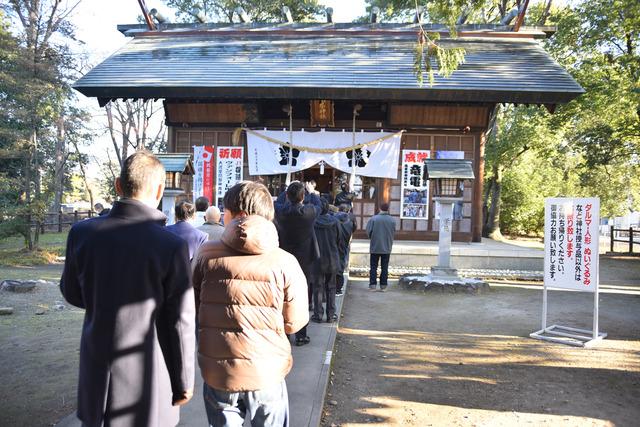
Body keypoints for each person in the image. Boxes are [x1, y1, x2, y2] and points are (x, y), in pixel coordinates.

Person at [59, 151, 196, 427]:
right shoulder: (170, 246)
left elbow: (72, 292)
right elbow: (180, 322)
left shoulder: (82, 233)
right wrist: (184, 381)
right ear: (159, 190)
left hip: (97, 364)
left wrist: (104, 301)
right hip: (149, 373)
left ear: (118, 185)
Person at [192, 181, 309, 427]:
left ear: (238, 214)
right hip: (267, 371)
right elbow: (294, 323)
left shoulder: (205, 255)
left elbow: (192, 307)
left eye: (224, 210)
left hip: (219, 372)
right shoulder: (285, 262)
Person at [276, 181, 320, 346]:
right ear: (303, 197)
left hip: (284, 256)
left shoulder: (281, 211)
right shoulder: (309, 211)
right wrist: (311, 191)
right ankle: (301, 334)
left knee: (282, 295)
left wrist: (286, 190)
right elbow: (318, 203)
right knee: (302, 295)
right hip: (304, 259)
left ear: (287, 196)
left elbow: (279, 201)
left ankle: (284, 333)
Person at [310, 198, 340, 323]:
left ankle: (318, 314)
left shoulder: (313, 222)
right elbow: (338, 239)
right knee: (331, 287)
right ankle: (331, 314)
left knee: (318, 287)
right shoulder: (335, 221)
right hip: (332, 257)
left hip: (317, 258)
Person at [366, 202, 396, 292]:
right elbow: (393, 231)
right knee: (385, 267)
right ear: (388, 209)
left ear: (380, 208)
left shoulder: (374, 219)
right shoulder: (392, 220)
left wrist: (372, 237)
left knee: (373, 266)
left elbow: (368, 231)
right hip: (387, 246)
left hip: (375, 246)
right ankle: (383, 286)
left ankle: (372, 285)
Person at [335, 204, 356, 296]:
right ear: (348, 211)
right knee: (342, 264)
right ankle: (339, 288)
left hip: (334, 245)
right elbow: (354, 228)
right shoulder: (350, 222)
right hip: (344, 244)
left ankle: (335, 286)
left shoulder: (333, 221)